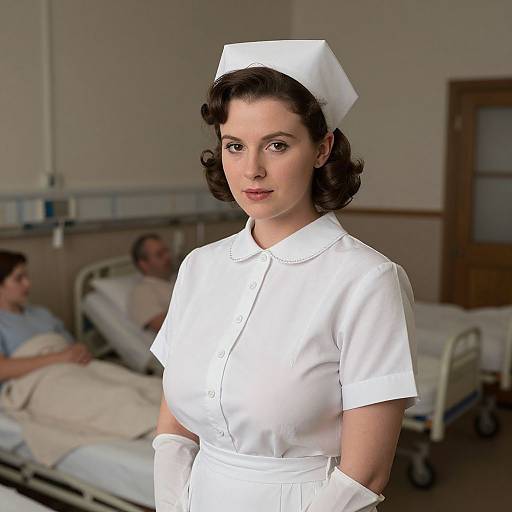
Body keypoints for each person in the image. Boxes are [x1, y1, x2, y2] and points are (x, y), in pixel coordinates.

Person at [150, 40, 419, 512]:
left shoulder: (367, 281)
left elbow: (365, 474)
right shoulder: (199, 268)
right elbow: (174, 429)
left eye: (277, 144)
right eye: (235, 145)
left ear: (322, 148)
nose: (251, 169)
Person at [0, 250, 92, 382]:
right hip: (37, 383)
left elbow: (71, 346)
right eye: (19, 279)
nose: (28, 283)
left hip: (73, 371)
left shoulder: (42, 313)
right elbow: (2, 370)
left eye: (27, 277)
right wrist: (60, 358)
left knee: (125, 387)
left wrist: (80, 349)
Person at [128, 234, 176, 334]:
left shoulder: (177, 280)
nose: (167, 257)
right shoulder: (142, 292)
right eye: (159, 254)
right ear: (144, 264)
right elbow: (167, 328)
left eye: (166, 251)